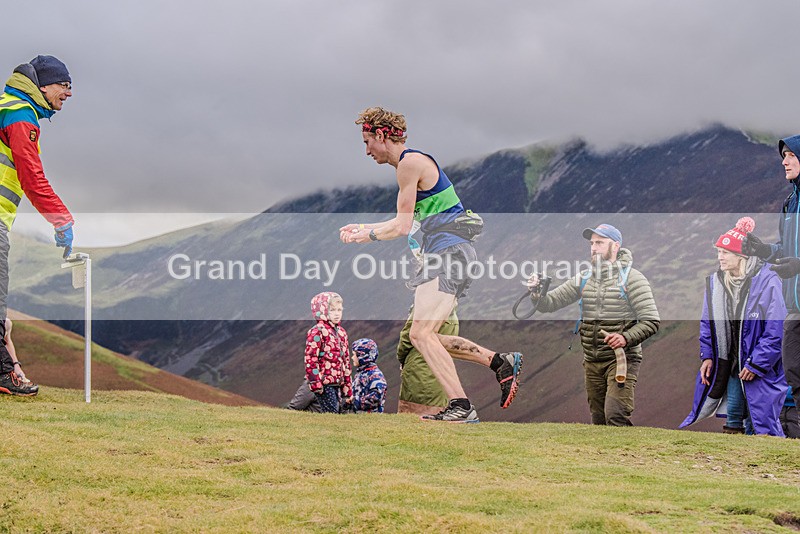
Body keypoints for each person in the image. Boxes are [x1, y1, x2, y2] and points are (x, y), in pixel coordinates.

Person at [340, 106, 522, 423]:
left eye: (367, 141)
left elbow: (400, 227)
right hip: (451, 253)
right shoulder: (414, 163)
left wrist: (366, 235)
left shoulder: (408, 164)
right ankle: (498, 361)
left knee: (421, 335)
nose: (366, 150)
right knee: (426, 335)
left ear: (381, 135)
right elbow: (404, 223)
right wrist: (364, 230)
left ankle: (461, 407)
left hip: (448, 253)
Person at [527, 224, 659, 426]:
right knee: (598, 421)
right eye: (592, 243)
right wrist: (536, 293)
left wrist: (624, 338)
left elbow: (651, 321)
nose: (594, 248)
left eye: (600, 242)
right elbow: (549, 304)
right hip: (591, 361)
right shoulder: (584, 278)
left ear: (615, 246)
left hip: (622, 359)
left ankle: (627, 457)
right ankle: (603, 458)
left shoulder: (633, 279)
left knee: (615, 415)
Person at [0, 55, 75, 396]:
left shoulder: (8, 106)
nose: (69, 93)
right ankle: (5, 375)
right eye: (65, 85)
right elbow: (32, 176)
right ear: (43, 86)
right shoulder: (19, 113)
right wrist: (62, 219)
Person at [682, 218, 788, 436]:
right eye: (718, 252)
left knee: (758, 420)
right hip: (730, 364)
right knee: (733, 417)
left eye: (725, 252)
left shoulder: (768, 280)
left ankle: (760, 462)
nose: (719, 257)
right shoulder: (716, 283)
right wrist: (708, 356)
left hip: (760, 366)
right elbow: (708, 323)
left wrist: (757, 363)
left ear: (742, 256)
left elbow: (776, 328)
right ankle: (734, 461)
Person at [742, 135, 800, 414]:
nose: (784, 161)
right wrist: (764, 250)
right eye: (783, 156)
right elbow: (786, 249)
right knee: (794, 371)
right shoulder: (790, 203)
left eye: (791, 155)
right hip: (795, 307)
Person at [396, 305, 457, 415]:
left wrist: (402, 358)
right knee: (436, 410)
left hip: (420, 369)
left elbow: (407, 336)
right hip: (441, 370)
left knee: (413, 413)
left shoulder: (426, 307)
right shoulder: (452, 314)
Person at [304, 292, 352, 413]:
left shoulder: (342, 332)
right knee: (331, 412)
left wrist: (347, 388)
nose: (337, 313)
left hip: (338, 382)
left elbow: (346, 361)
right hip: (324, 383)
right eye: (332, 310)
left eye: (339, 310)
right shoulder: (317, 331)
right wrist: (315, 383)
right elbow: (311, 358)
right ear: (322, 310)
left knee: (340, 413)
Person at [351, 338, 387, 413]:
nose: (352, 357)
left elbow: (375, 398)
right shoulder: (361, 374)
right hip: (359, 419)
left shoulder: (375, 375)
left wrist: (354, 401)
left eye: (354, 355)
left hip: (372, 420)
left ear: (362, 356)